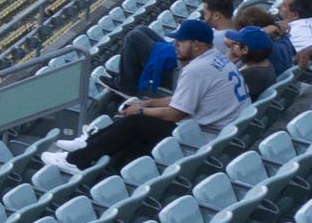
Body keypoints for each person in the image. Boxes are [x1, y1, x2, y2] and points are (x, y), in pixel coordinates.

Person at [49, 19, 249, 172]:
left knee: (135, 122)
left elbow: (175, 114)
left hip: (205, 136)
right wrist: (151, 102)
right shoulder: (215, 59)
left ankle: (75, 161)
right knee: (138, 116)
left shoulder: (197, 69)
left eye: (180, 41)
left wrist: (142, 110)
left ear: (196, 44)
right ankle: (87, 143)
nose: (175, 45)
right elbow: (183, 99)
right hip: (221, 129)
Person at [227, 26, 277, 98]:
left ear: (244, 49)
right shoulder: (264, 62)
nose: (232, 46)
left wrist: (227, 63)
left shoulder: (251, 74)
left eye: (235, 43)